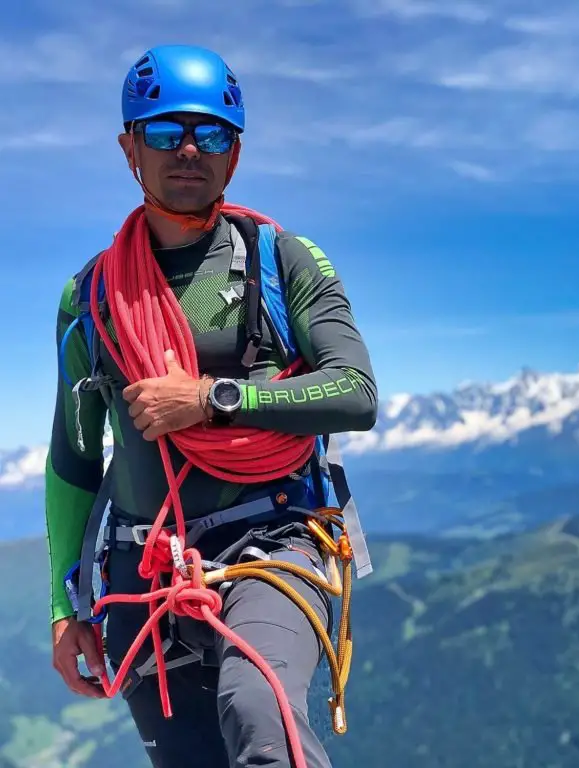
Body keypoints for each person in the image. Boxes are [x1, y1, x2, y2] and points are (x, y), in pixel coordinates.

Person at [44, 44, 377, 767]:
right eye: (165, 134)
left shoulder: (283, 261)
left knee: (259, 710)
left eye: (212, 135)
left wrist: (211, 399)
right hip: (140, 572)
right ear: (129, 148)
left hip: (275, 538)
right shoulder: (90, 297)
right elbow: (73, 456)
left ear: (235, 153)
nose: (189, 150)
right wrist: (64, 608)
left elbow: (355, 391)